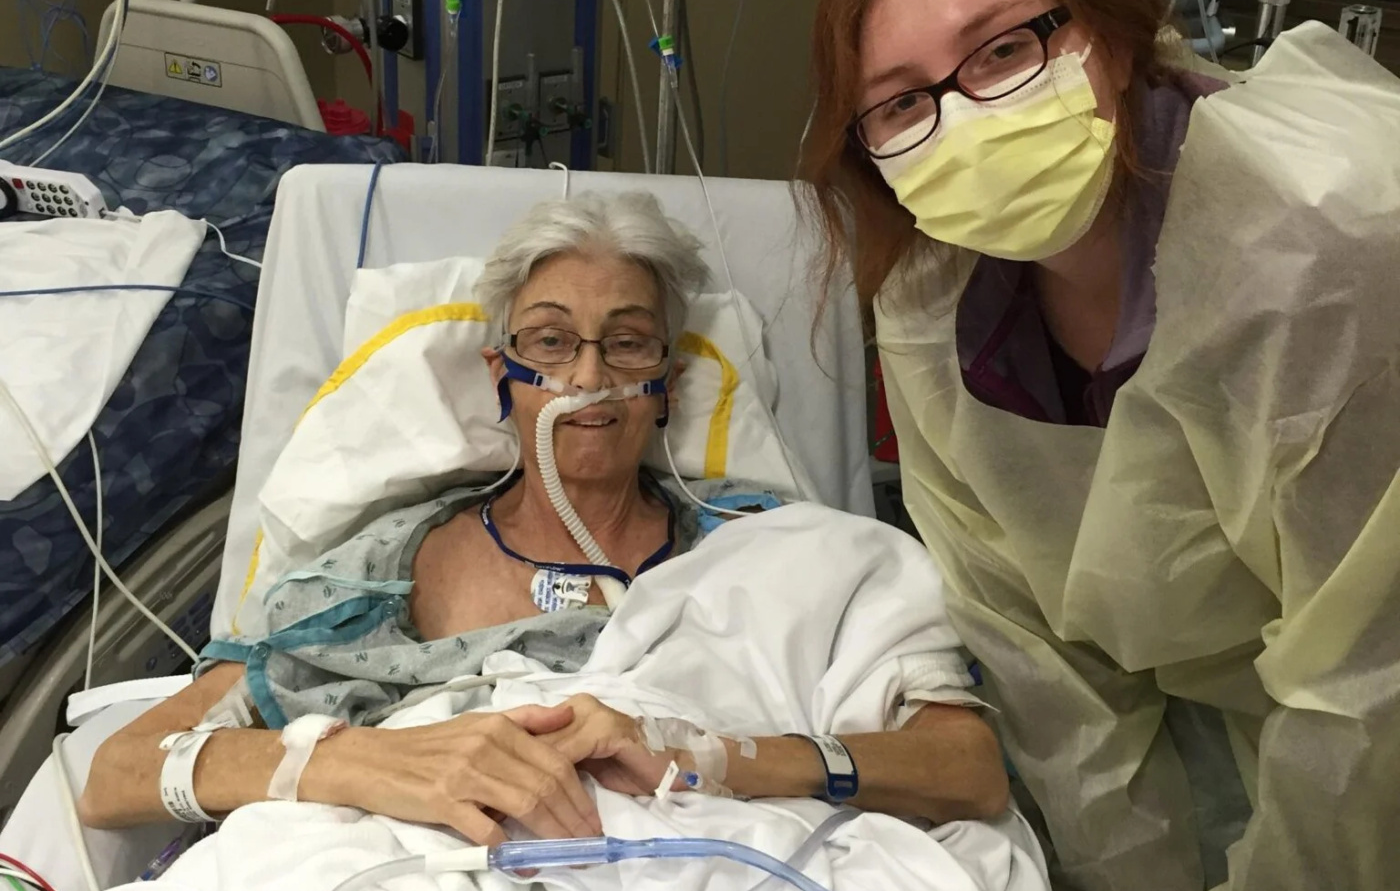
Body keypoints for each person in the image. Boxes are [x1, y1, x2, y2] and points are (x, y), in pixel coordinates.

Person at [799, 0, 1400, 891]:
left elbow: (1366, 681)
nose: (964, 121)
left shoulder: (1322, 251)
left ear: (1111, 42)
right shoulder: (930, 303)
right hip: (1212, 708)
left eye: (1001, 51)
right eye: (900, 103)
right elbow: (1023, 637)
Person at [77, 191, 1009, 849]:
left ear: (667, 383)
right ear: (502, 376)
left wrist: (715, 755)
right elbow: (118, 775)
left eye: (627, 342)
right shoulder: (370, 574)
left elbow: (968, 770)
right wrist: (370, 763)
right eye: (551, 341)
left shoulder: (770, 552)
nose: (588, 375)